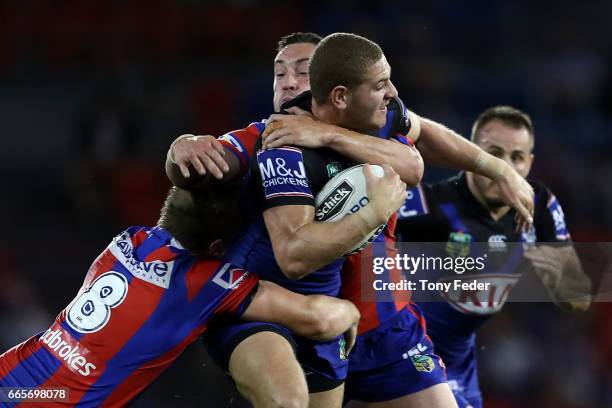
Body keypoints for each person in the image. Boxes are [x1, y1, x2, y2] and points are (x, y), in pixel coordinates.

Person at [167, 32, 536, 408]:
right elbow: (203, 167)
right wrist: (180, 147)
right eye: (280, 74)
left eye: (304, 71)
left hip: (380, 323)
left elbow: (418, 153)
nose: (290, 82)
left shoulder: (377, 117)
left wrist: (497, 170)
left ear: (333, 86)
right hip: (301, 316)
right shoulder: (273, 141)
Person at [0, 182, 361, 407]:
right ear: (218, 246)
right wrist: (350, 311)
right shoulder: (208, 283)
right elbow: (315, 318)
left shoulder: (128, 239)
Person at [396, 106, 592, 408]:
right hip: (409, 347)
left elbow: (578, 299)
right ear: (472, 155)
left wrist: (561, 282)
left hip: (459, 358)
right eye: (495, 153)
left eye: (517, 157)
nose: (507, 168)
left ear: (529, 163)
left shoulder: (540, 205)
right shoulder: (432, 204)